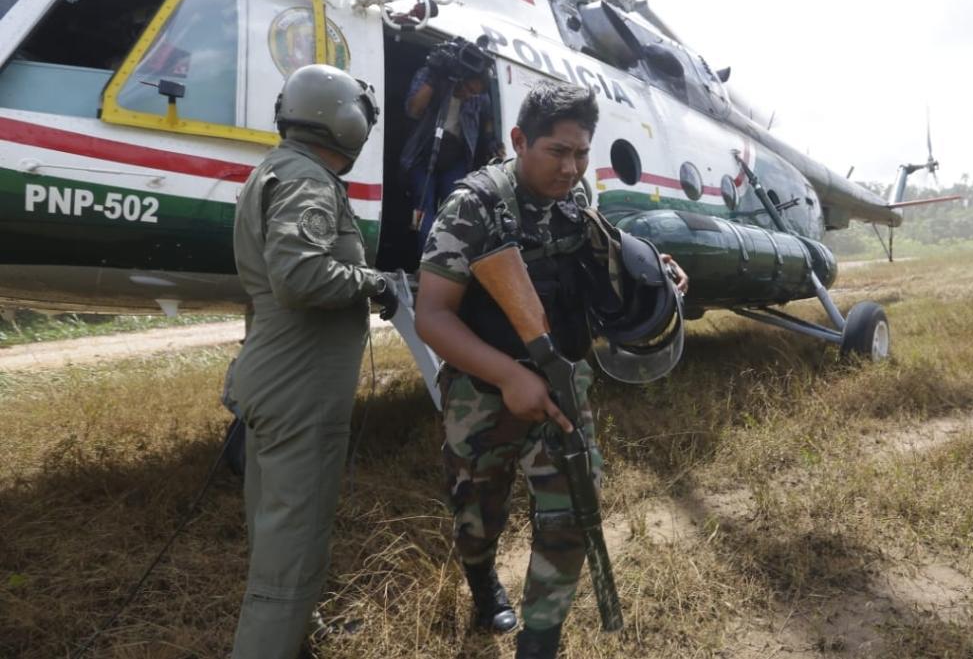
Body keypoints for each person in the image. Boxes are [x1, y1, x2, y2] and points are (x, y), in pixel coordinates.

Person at [414, 82, 687, 658]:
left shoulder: (575, 195)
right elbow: (433, 316)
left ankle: (539, 642)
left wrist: (653, 272)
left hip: (564, 381)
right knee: (477, 517)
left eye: (581, 153)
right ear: (519, 141)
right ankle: (484, 586)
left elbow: (593, 254)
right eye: (557, 152)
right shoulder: (473, 206)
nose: (570, 167)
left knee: (571, 514)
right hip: (484, 389)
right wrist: (511, 377)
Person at [223, 64, 402, 659]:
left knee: (278, 531)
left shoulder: (277, 169)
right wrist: (374, 281)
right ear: (345, 120)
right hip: (300, 389)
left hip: (276, 375)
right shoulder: (306, 179)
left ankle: (298, 632)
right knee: (292, 552)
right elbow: (301, 276)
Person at [398, 43, 502, 245]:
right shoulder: (430, 77)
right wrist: (434, 78)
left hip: (455, 158)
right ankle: (424, 258)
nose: (470, 95)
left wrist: (491, 141)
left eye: (475, 92)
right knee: (423, 204)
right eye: (468, 89)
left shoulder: (479, 98)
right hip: (423, 154)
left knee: (454, 209)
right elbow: (413, 110)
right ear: (459, 77)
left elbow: (488, 118)